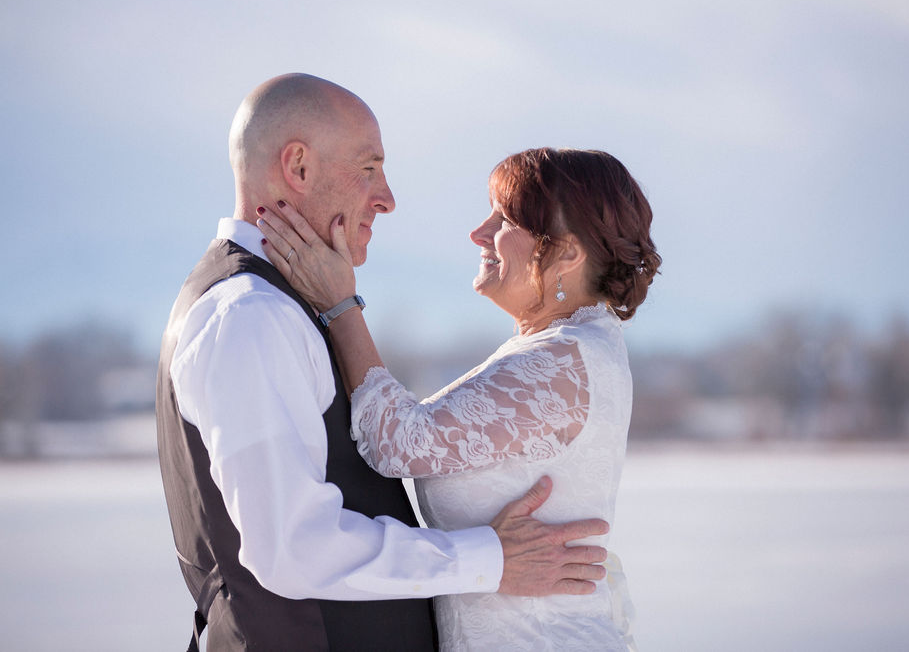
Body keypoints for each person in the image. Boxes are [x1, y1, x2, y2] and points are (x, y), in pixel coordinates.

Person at [155, 74, 611, 652]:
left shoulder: (280, 305)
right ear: (297, 168)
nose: (387, 197)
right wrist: (488, 559)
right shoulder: (249, 315)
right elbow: (292, 548)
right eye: (368, 168)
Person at [256, 146, 661, 650]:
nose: (478, 233)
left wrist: (341, 304)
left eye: (506, 218)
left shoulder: (561, 363)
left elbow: (396, 440)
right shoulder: (570, 348)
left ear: (569, 252)